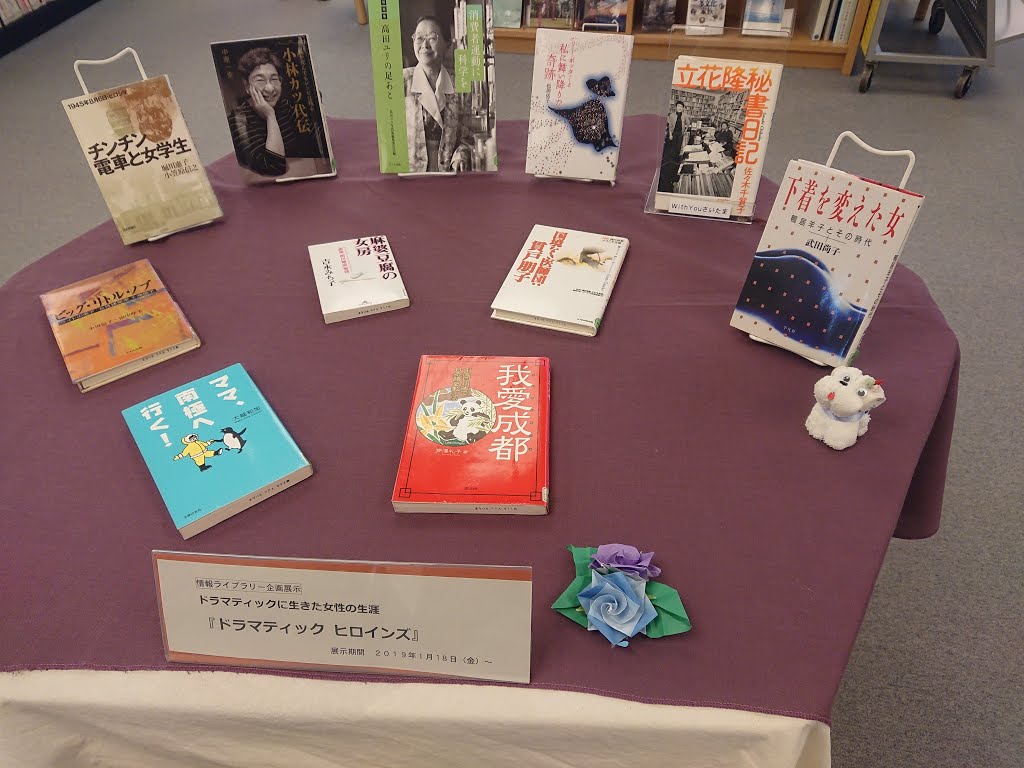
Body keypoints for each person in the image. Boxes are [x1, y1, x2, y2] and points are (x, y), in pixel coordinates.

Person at [402, 16, 473, 173]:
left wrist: (460, 157)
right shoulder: (401, 81)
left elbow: (468, 136)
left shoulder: (461, 85)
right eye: (419, 38)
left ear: (447, 44)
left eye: (432, 38)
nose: (425, 45)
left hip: (448, 172)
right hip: (411, 173)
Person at [228, 47, 300, 177]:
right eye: (260, 80)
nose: (270, 88)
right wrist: (270, 116)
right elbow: (274, 168)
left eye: (274, 79)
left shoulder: (286, 106)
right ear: (247, 87)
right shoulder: (238, 119)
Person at [658, 101, 686, 192]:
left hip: (680, 135)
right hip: (673, 134)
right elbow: (670, 126)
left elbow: (688, 123)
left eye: (681, 106)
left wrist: (685, 131)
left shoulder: (684, 115)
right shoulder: (672, 115)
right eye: (678, 106)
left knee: (678, 148)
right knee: (672, 148)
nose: (680, 108)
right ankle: (671, 162)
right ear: (676, 107)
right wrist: (670, 134)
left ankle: (675, 162)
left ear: (683, 108)